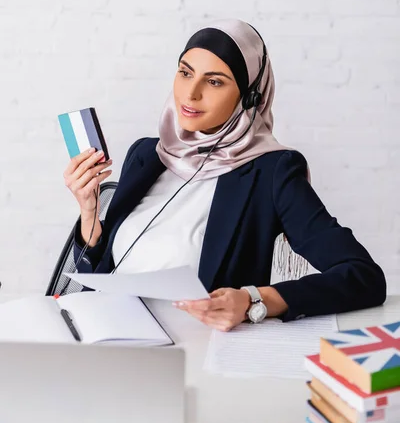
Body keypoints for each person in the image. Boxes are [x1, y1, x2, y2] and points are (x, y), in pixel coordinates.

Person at [63, 19, 386, 332]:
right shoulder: (147, 155)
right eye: (185, 73)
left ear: (249, 96)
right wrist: (89, 211)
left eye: (214, 81)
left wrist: (254, 300)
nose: (191, 94)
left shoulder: (272, 172)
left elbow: (363, 276)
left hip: (192, 351)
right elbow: (104, 268)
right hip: (106, 335)